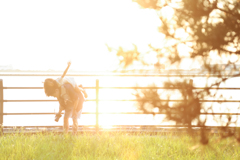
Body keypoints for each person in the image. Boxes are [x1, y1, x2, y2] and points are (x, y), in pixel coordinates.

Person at [43, 62, 87, 134]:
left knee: (74, 118)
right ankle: (65, 134)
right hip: (69, 100)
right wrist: (59, 114)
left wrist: (68, 66)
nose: (54, 96)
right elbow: (61, 104)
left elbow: (76, 99)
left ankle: (74, 135)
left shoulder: (61, 83)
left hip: (75, 93)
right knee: (66, 118)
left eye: (54, 95)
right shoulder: (57, 91)